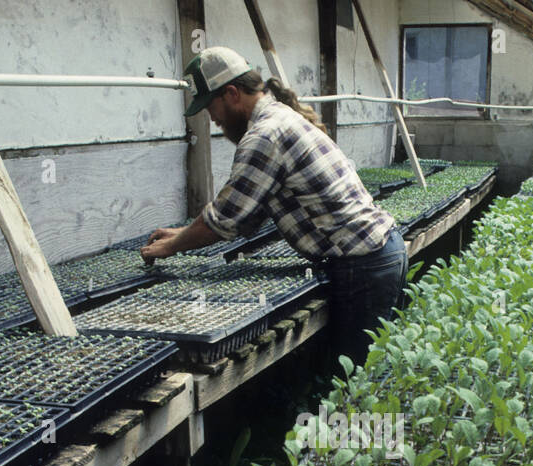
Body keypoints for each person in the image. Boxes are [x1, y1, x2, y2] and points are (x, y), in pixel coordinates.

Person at [140, 46, 408, 367]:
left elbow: (225, 219)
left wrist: (171, 247)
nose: (212, 118)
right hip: (378, 254)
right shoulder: (279, 118)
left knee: (356, 378)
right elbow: (248, 216)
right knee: (360, 371)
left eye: (211, 107)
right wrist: (183, 233)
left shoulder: (264, 136)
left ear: (232, 93)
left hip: (364, 264)